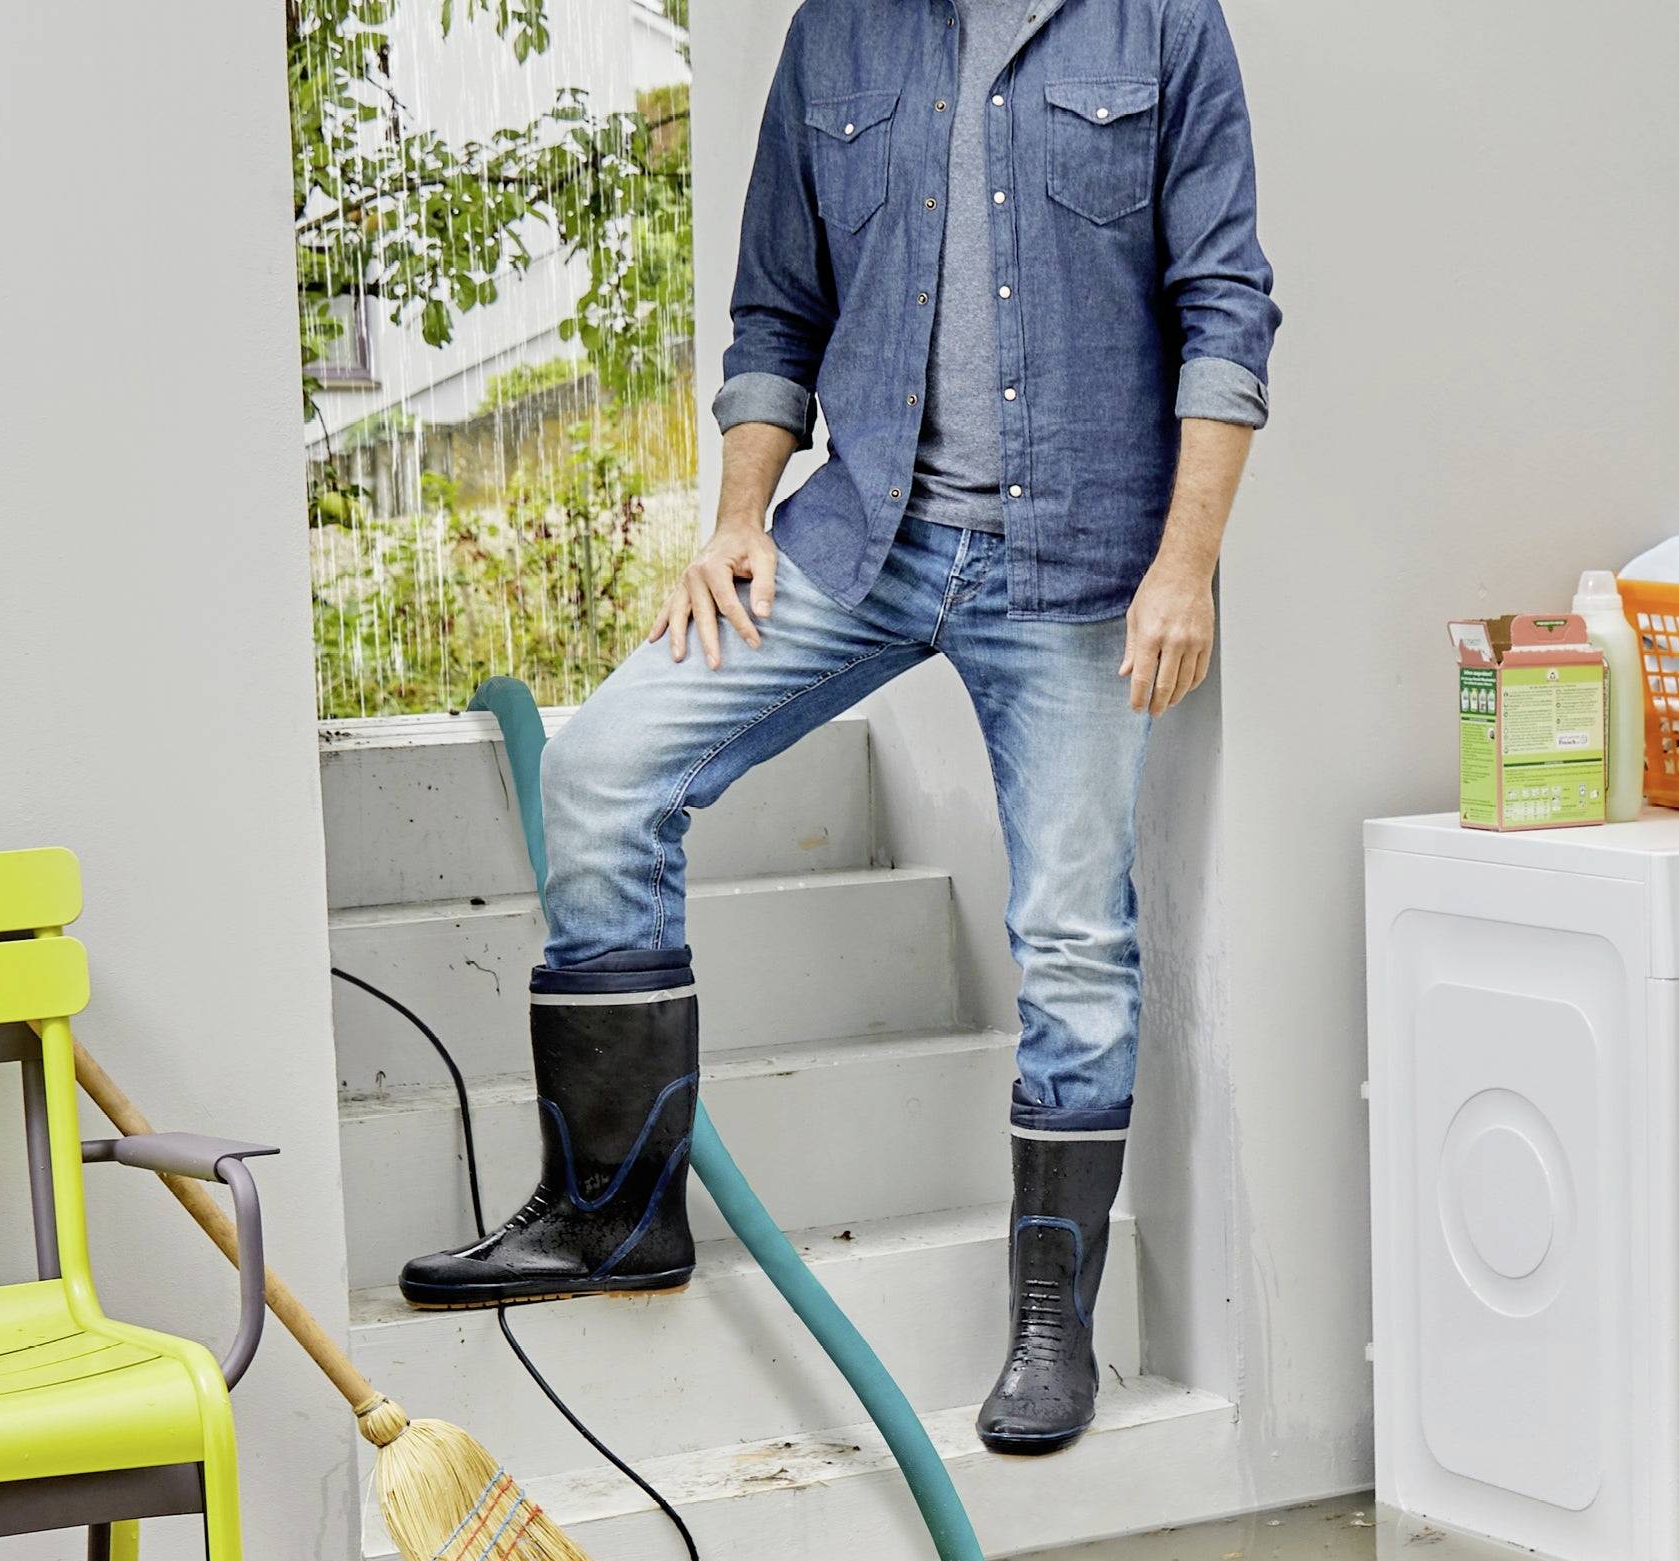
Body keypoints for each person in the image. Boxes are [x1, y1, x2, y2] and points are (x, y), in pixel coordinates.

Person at [399, 0, 1279, 1457]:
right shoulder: (837, 35)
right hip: (866, 536)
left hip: (1078, 562)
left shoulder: (1161, 24)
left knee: (1073, 938)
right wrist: (738, 520)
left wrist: (1185, 568)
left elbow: (1225, 309)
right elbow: (777, 311)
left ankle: (1052, 1324)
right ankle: (616, 1213)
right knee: (605, 767)